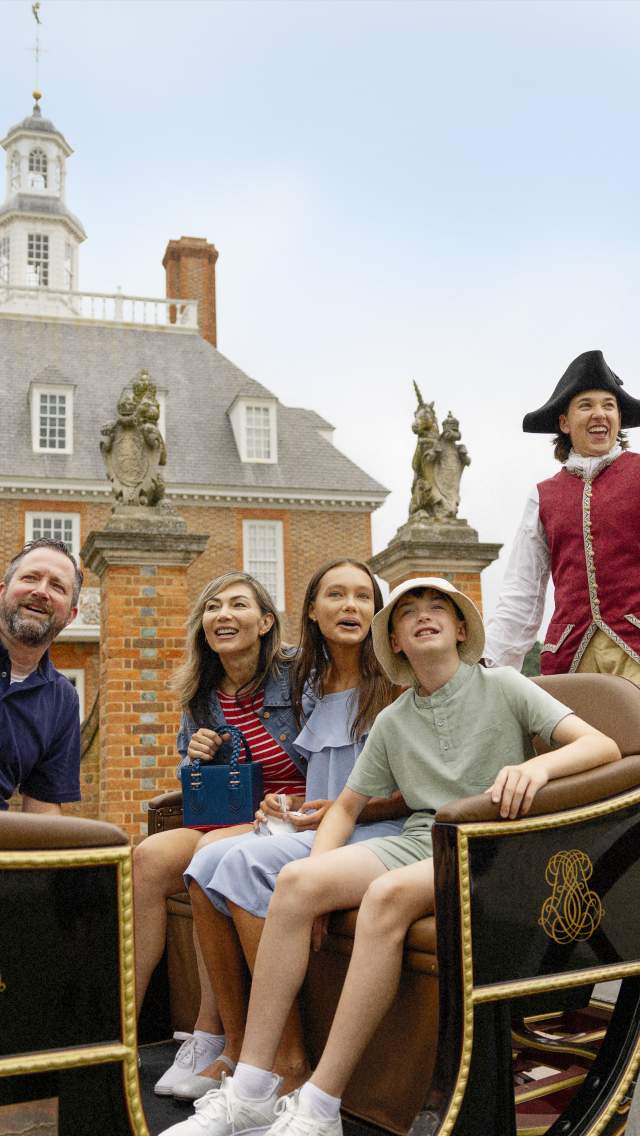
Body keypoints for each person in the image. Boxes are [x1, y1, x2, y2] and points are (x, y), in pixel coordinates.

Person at [158, 576, 620, 1136]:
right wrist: (317, 877)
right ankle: (253, 1087)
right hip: (418, 841)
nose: (424, 616)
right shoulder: (396, 720)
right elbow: (347, 808)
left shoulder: (504, 687)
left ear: (459, 629)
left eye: (438, 609)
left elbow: (602, 745)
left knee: (385, 895)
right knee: (296, 883)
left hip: (490, 847)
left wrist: (535, 767)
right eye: (408, 612)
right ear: (395, 641)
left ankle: (320, 1104)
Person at [173, 559, 406, 1100]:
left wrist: (332, 817)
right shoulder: (308, 681)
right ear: (311, 610)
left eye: (362, 597)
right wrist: (292, 802)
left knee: (239, 859)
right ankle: (242, 1048)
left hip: (379, 826)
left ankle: (289, 1060)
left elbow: (390, 793)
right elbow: (324, 783)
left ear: (377, 611)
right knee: (203, 863)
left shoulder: (395, 679)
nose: (349, 607)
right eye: (335, 596)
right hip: (326, 824)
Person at [133, 571, 306, 1095]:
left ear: (266, 621)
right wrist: (194, 759)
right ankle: (122, 1029)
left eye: (237, 605)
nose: (222, 614)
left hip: (288, 815)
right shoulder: (201, 692)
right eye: (212, 607)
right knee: (146, 857)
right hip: (225, 815)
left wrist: (297, 806)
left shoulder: (298, 679)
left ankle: (214, 1036)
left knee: (210, 853)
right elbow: (195, 787)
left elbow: (327, 764)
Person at [484, 349, 640, 679]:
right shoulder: (543, 496)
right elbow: (521, 591)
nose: (600, 414)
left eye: (608, 405)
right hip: (571, 662)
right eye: (586, 405)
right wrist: (490, 667)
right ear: (564, 422)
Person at [0, 538, 82, 813]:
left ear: (71, 615)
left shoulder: (62, 699)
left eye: (57, 586)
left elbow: (42, 809)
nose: (41, 591)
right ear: (2, 591)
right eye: (30, 578)